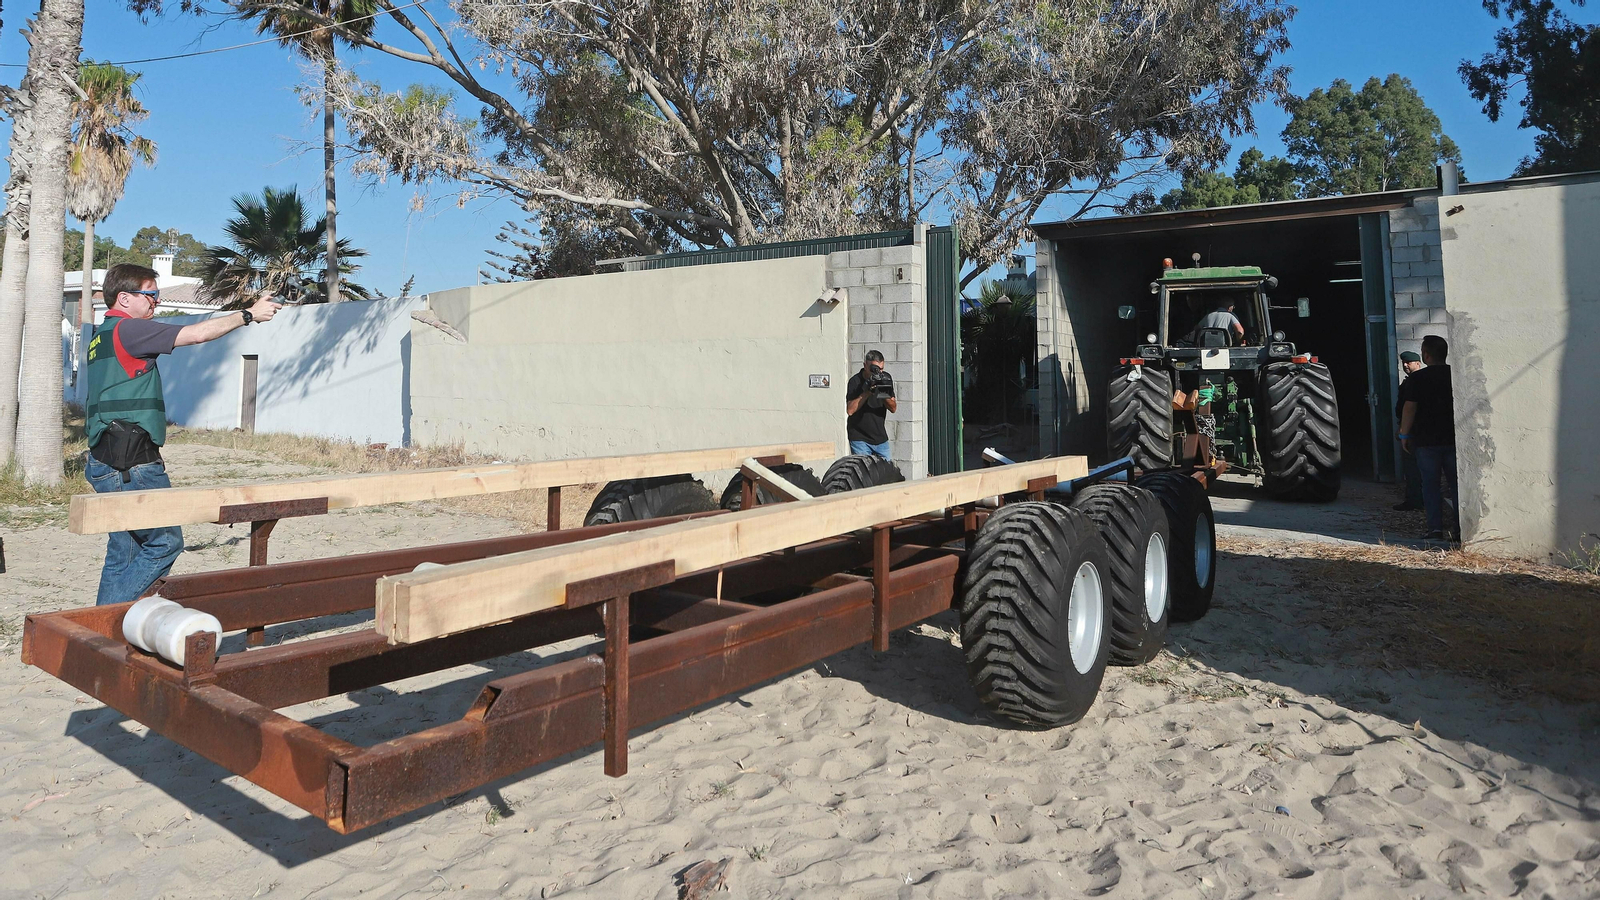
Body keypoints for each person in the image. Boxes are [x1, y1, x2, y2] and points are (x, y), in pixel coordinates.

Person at [84, 263, 284, 605]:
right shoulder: (128, 330)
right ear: (125, 298)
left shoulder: (101, 335)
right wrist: (248, 315)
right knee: (164, 542)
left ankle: (99, 633)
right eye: (151, 296)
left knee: (125, 550)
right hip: (132, 462)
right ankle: (107, 622)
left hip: (106, 458)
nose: (156, 304)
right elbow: (197, 333)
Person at [1398, 335, 1457, 540]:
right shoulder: (1455, 375)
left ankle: (1435, 529)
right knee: (1456, 485)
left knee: (1430, 485)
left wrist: (1404, 434)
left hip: (1426, 441)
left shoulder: (1417, 379)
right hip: (1453, 438)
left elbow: (1409, 408)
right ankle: (1460, 529)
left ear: (1426, 355)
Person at [845, 350, 897, 459]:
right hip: (859, 438)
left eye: (881, 369)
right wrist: (867, 392)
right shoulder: (855, 381)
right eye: (874, 369)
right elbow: (850, 410)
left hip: (880, 437)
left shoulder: (885, 379)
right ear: (865, 365)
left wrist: (881, 392)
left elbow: (893, 408)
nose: (878, 373)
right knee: (865, 472)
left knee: (888, 472)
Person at [1393, 350, 1424, 511]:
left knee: (1414, 467)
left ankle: (1415, 500)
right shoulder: (1408, 382)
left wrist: (1404, 429)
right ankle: (1414, 499)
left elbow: (1410, 407)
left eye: (1409, 363)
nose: (1405, 365)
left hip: (1415, 430)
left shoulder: (1417, 381)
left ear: (1418, 363)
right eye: (1404, 363)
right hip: (1412, 428)